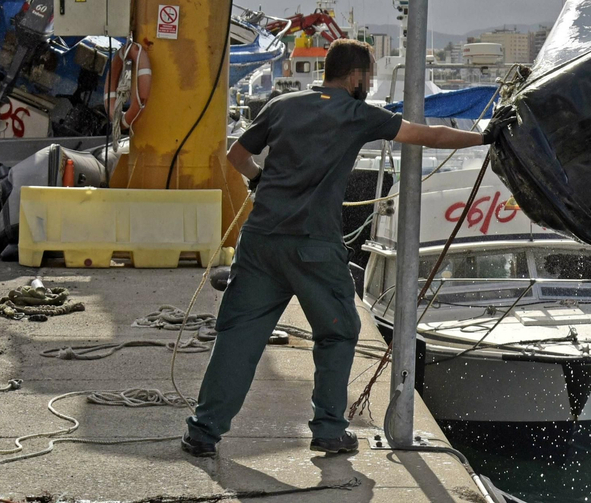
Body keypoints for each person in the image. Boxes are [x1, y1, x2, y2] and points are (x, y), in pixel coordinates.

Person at [182, 38, 497, 458]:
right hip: (314, 247)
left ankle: (202, 433)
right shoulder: (356, 113)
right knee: (339, 331)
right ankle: (329, 429)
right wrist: (483, 139)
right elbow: (427, 135)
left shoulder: (281, 105)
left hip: (259, 243)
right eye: (368, 76)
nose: (368, 83)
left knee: (238, 336)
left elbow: (236, 154)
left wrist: (258, 179)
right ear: (355, 77)